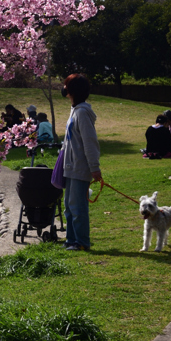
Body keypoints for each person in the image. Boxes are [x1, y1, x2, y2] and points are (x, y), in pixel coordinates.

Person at [60, 74, 102, 251]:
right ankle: (71, 239)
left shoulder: (83, 113)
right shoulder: (75, 110)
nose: (64, 89)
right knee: (69, 207)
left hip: (80, 167)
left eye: (66, 86)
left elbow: (89, 142)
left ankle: (82, 242)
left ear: (72, 91)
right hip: (70, 167)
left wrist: (94, 168)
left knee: (78, 208)